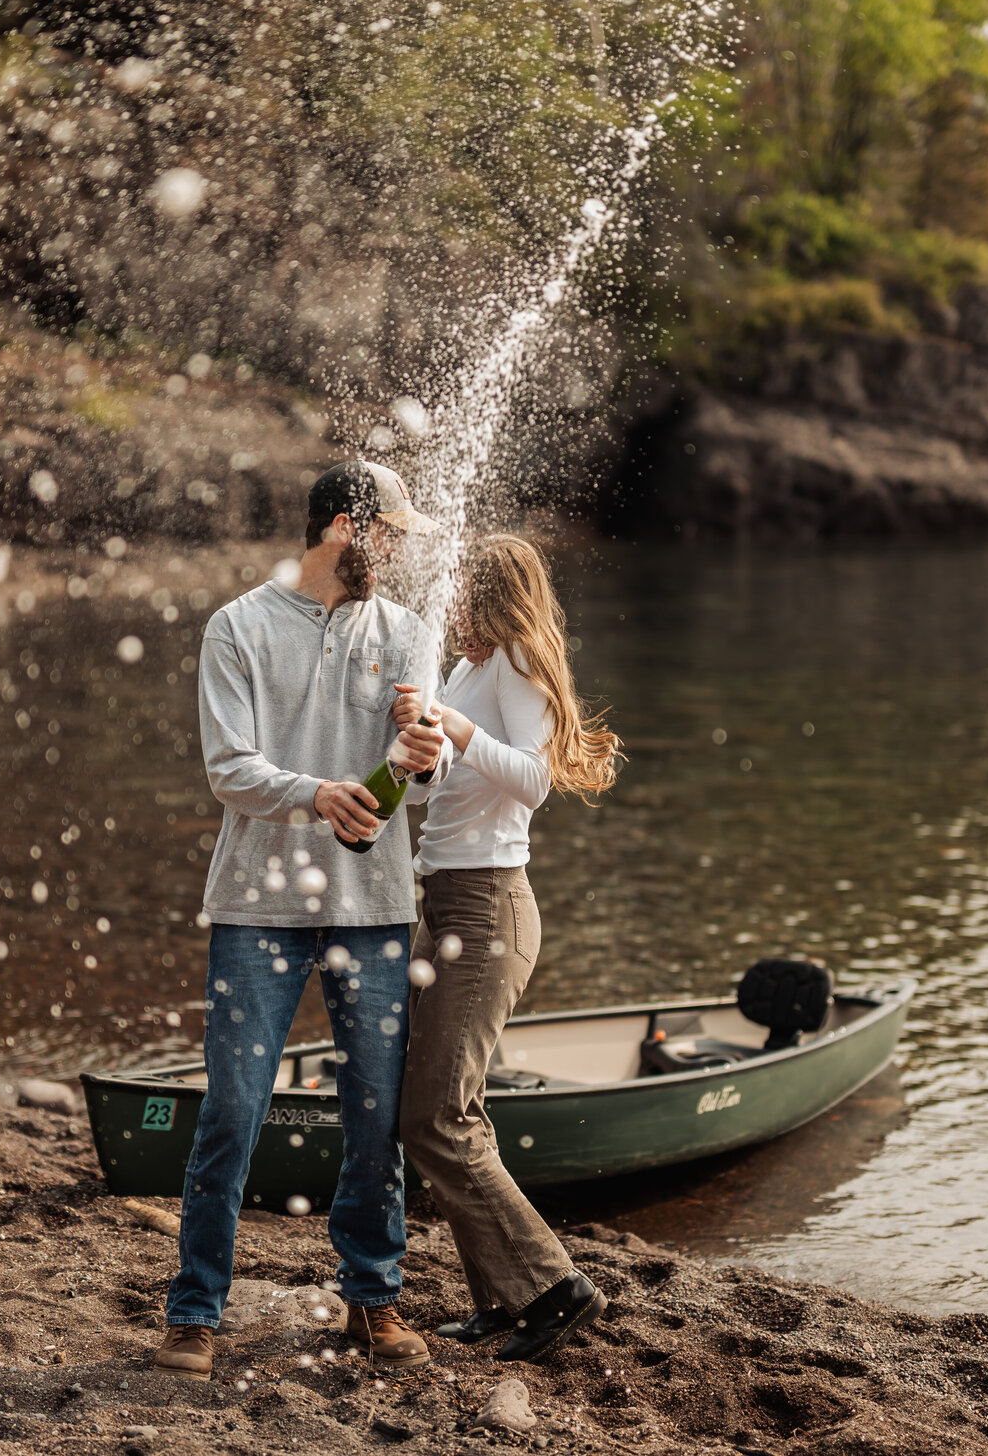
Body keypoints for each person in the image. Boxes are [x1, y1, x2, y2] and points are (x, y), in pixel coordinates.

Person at [157, 460, 448, 1381]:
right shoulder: (237, 627)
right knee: (232, 1110)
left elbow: (411, 786)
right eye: (388, 533)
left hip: (374, 909)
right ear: (345, 529)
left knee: (375, 1115)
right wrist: (318, 794)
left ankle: (373, 1296)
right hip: (257, 907)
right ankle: (194, 1313)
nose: (396, 552)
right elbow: (230, 770)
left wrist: (424, 753)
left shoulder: (409, 634)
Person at [396, 534, 620, 1364]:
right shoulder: (467, 668)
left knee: (433, 1116)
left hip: (489, 908)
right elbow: (438, 793)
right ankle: (500, 1299)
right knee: (449, 1110)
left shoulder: (518, 660)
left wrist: (454, 725)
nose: (448, 599)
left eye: (459, 586)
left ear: (488, 593)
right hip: (445, 900)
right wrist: (421, 754)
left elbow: (534, 779)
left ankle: (556, 1289)